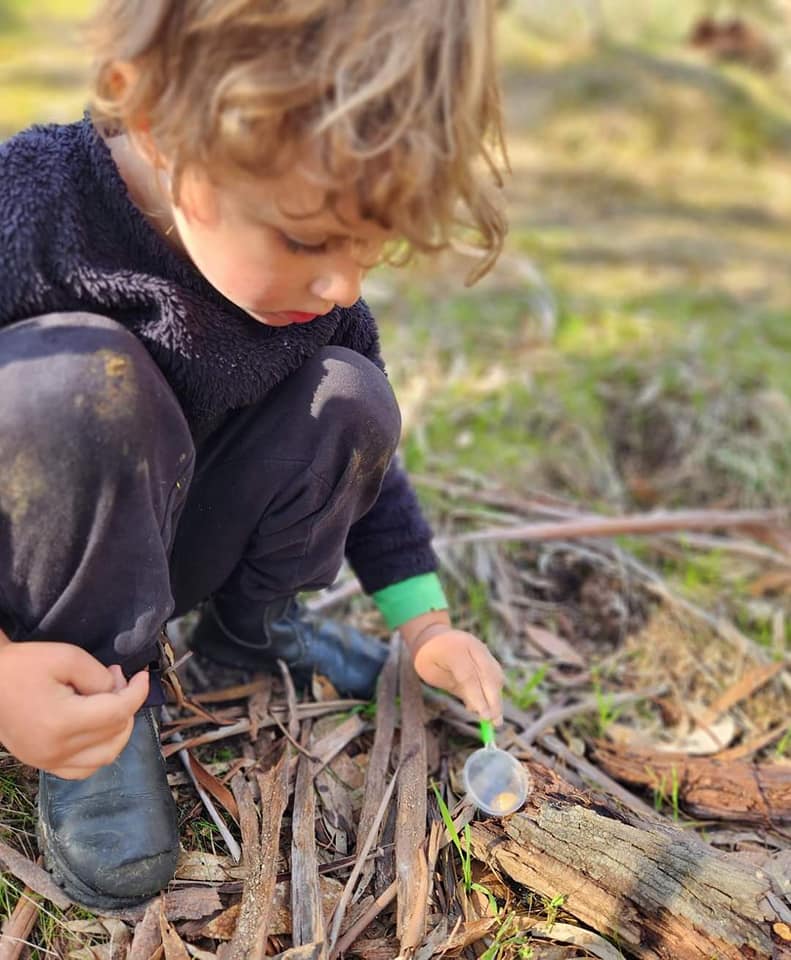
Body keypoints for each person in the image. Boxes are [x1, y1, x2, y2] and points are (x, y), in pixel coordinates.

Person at [0, 0, 507, 912]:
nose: (342, 283)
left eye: (370, 247)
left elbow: (368, 472)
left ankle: (251, 631)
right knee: (81, 381)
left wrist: (426, 626)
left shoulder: (311, 300)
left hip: (174, 534)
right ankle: (103, 710)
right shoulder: (27, 209)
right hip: (41, 566)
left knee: (346, 392)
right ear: (157, 122)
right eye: (308, 239)